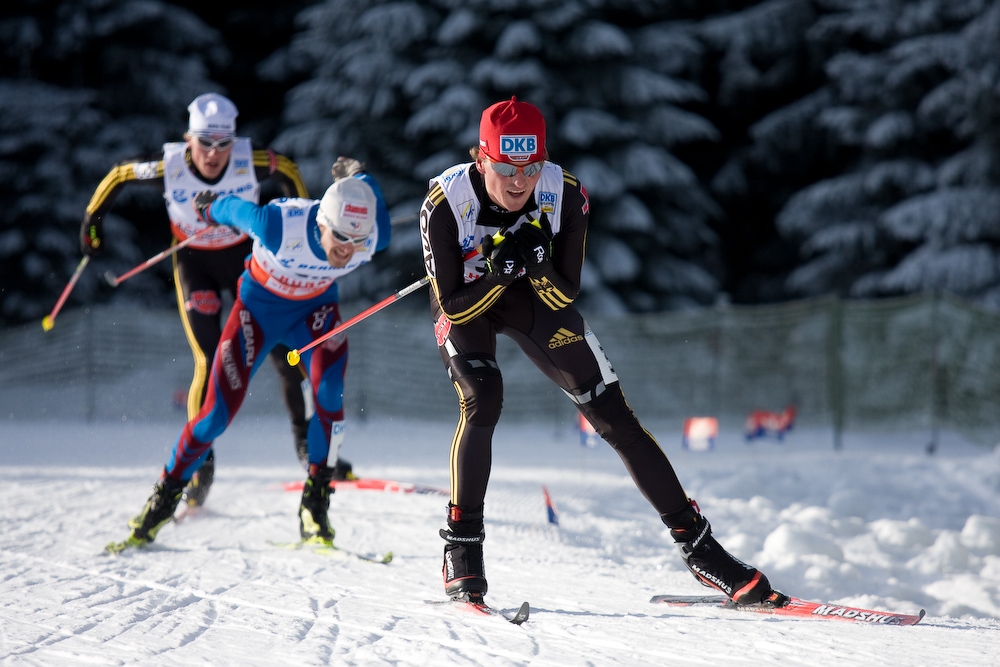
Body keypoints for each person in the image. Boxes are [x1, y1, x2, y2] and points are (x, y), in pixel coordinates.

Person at [419, 97, 786, 608]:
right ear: (481, 160)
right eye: (505, 168)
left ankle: (700, 548)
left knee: (612, 412)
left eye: (530, 167)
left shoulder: (565, 193)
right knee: (483, 397)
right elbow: (453, 308)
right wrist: (500, 270)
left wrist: (537, 262)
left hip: (533, 301)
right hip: (472, 304)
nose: (519, 181)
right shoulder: (445, 200)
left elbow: (564, 292)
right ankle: (462, 546)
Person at [80, 93, 356, 510]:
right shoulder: (168, 165)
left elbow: (292, 176)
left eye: (223, 144)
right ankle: (200, 465)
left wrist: (306, 224)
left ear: (234, 141)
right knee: (210, 360)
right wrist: (91, 224)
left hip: (246, 259)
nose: (213, 154)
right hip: (194, 263)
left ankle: (305, 443)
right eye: (204, 143)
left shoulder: (253, 161)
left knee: (288, 352)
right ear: (188, 138)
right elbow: (119, 175)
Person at [107, 171, 391, 553]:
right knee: (215, 417)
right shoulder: (278, 226)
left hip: (315, 313)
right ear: (322, 222)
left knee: (330, 397)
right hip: (257, 312)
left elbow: (374, 209)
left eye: (357, 241)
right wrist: (208, 206)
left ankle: (315, 503)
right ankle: (165, 495)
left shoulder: (372, 237)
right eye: (340, 237)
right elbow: (236, 210)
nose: (348, 250)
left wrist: (361, 178)